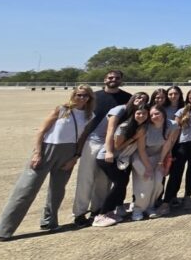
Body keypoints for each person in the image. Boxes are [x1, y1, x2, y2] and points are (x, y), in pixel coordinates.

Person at [0, 86, 95, 241]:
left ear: (90, 98)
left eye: (86, 96)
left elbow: (82, 138)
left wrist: (75, 157)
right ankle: (2, 230)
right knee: (26, 189)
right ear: (73, 95)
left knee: (57, 191)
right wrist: (37, 153)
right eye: (79, 95)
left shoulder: (89, 115)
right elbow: (41, 131)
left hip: (68, 152)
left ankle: (49, 222)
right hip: (47, 149)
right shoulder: (61, 109)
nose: (82, 98)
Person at [71, 70, 130, 227]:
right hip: (92, 141)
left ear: (121, 80)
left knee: (103, 181)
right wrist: (79, 146)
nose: (113, 79)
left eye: (117, 78)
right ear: (105, 79)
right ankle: (79, 213)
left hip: (112, 144)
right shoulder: (93, 97)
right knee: (85, 178)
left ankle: (97, 210)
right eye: (110, 77)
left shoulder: (127, 98)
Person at [92, 104, 149, 227]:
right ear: (133, 114)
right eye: (138, 113)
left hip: (119, 159)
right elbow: (117, 147)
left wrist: (148, 167)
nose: (141, 115)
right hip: (106, 158)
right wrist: (134, 137)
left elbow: (141, 149)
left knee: (122, 183)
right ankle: (100, 215)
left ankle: (110, 212)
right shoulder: (124, 127)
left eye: (144, 113)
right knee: (119, 183)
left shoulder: (141, 127)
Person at [130, 105, 179, 220]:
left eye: (157, 114)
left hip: (158, 157)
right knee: (146, 182)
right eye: (151, 115)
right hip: (141, 158)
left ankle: (150, 206)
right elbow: (141, 150)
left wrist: (161, 162)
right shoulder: (144, 128)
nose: (154, 117)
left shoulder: (172, 125)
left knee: (157, 182)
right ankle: (137, 209)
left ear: (163, 114)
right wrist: (148, 167)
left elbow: (167, 144)